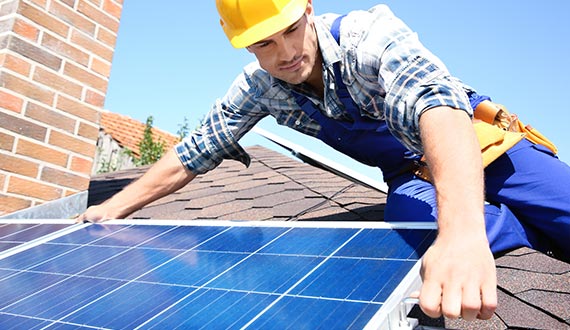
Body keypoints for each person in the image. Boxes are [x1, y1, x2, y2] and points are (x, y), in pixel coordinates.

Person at [78, 0, 570, 322]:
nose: (287, 53)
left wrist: (463, 234)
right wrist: (112, 209)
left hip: (489, 148)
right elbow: (193, 153)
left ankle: (516, 217)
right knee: (408, 220)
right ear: (244, 44)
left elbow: (435, 103)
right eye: (264, 43)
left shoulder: (368, 34)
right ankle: (531, 231)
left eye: (291, 30)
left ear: (308, 9)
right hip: (411, 177)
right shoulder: (258, 88)